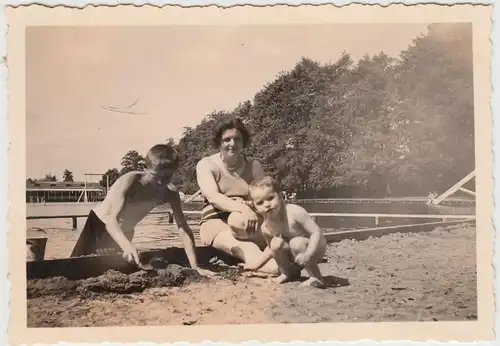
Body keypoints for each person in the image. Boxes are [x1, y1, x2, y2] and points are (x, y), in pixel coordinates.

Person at [70, 144, 213, 277]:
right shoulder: (131, 181)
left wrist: (195, 266)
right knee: (78, 268)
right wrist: (127, 246)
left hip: (126, 230)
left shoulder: (170, 193)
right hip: (99, 226)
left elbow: (183, 227)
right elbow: (111, 220)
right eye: (157, 177)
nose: (161, 183)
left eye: (167, 177)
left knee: (117, 270)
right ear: (145, 168)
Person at [195, 116, 279, 274]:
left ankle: (284, 260)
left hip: (248, 222)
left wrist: (250, 211)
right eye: (227, 139)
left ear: (243, 142)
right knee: (248, 248)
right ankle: (275, 268)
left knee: (281, 238)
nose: (232, 144)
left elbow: (264, 198)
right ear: (219, 142)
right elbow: (213, 197)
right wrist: (243, 208)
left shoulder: (254, 166)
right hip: (216, 222)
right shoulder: (206, 165)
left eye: (237, 139)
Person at [246, 176, 327, 288]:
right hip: (296, 253)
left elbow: (316, 232)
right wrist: (256, 265)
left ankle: (316, 277)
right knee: (275, 243)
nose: (267, 204)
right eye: (260, 203)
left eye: (270, 198)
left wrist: (309, 254)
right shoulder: (266, 226)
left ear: (280, 196)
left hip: (315, 247)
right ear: (255, 208)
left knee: (296, 243)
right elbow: (271, 249)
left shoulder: (294, 212)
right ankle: (287, 273)